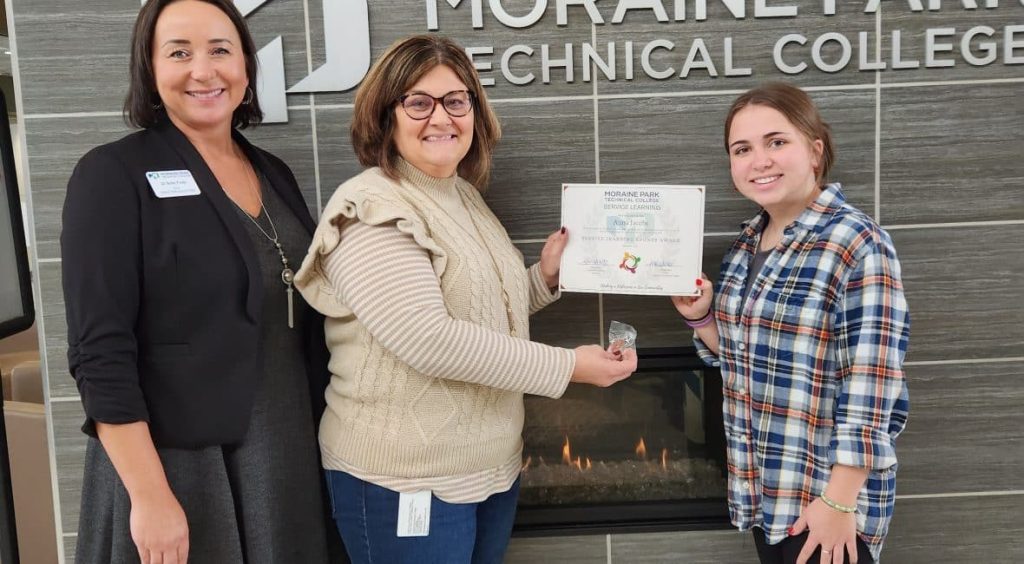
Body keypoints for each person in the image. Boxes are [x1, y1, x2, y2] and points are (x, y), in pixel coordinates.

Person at [293, 34, 638, 564]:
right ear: (385, 116)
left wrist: (544, 278)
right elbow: (429, 339)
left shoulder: (463, 195)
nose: (441, 117)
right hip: (405, 478)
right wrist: (569, 366)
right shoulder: (369, 209)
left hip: (490, 467)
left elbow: (479, 310)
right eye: (418, 102)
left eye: (456, 101)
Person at [61, 1, 339, 562]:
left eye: (220, 50)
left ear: (245, 65)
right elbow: (99, 352)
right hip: (179, 467)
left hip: (286, 449)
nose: (203, 70)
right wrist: (150, 496)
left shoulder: (272, 172)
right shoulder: (112, 174)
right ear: (149, 68)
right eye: (179, 53)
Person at [672, 82, 909, 564]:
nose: (759, 160)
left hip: (828, 504)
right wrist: (701, 316)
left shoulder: (856, 241)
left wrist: (838, 502)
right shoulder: (746, 246)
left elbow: (872, 383)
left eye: (776, 142)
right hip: (769, 493)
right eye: (742, 149)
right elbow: (740, 361)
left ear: (815, 151)